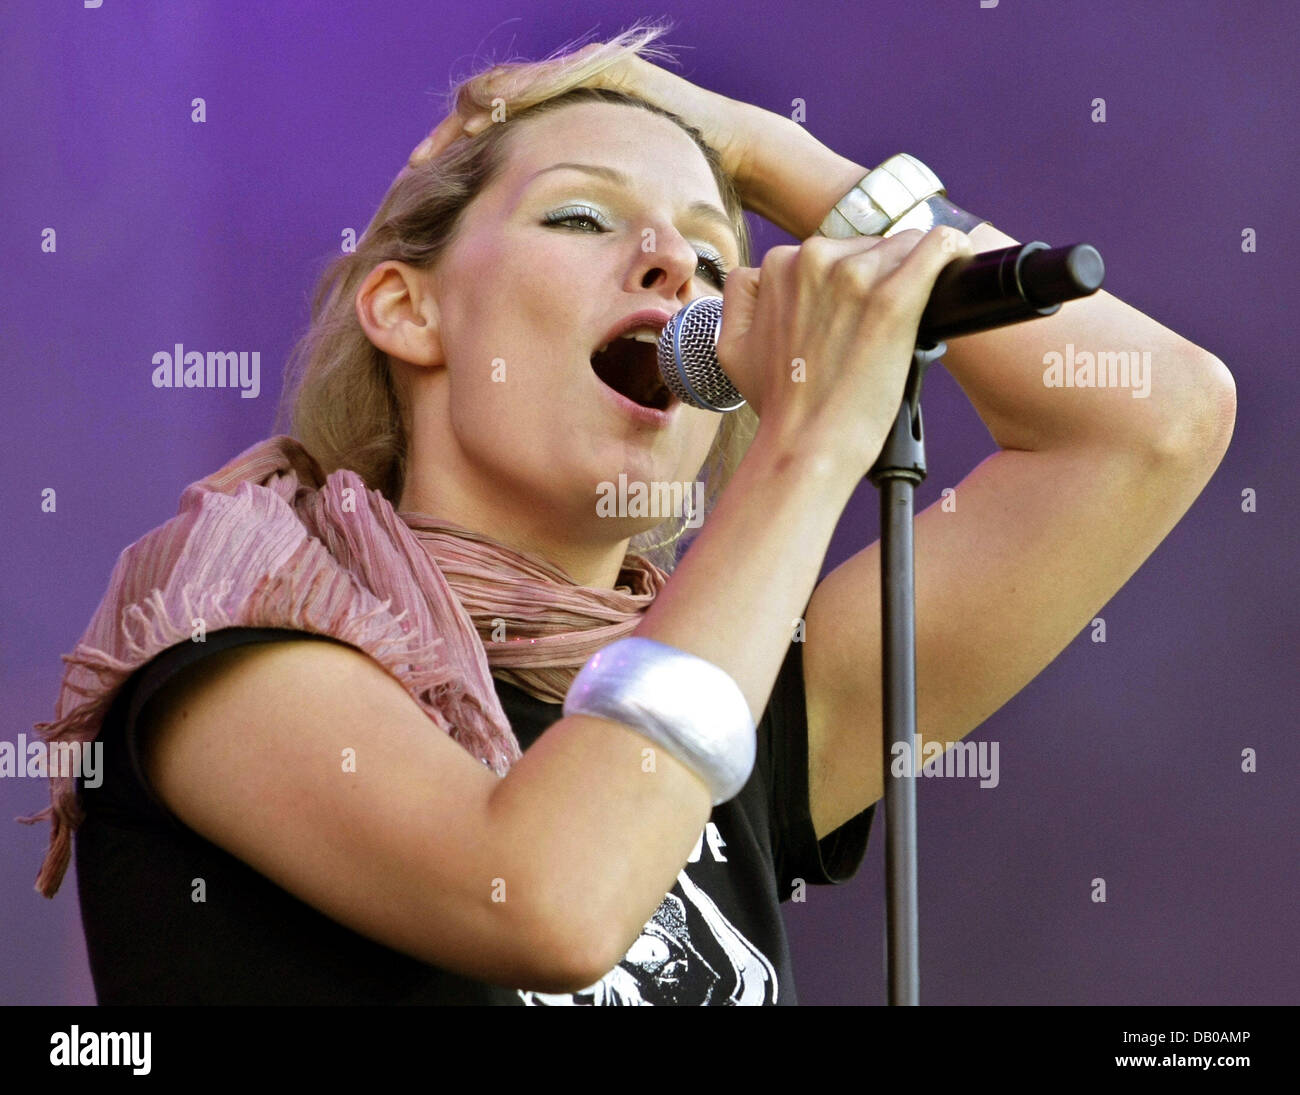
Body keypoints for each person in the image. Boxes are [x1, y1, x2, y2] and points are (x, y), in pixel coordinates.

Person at [24, 23, 1235, 1006]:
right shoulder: (233, 658)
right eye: (580, 217)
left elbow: (1151, 416)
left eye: (714, 260)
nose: (673, 265)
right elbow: (545, 901)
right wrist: (809, 451)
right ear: (408, 309)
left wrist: (757, 151)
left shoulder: (750, 697)